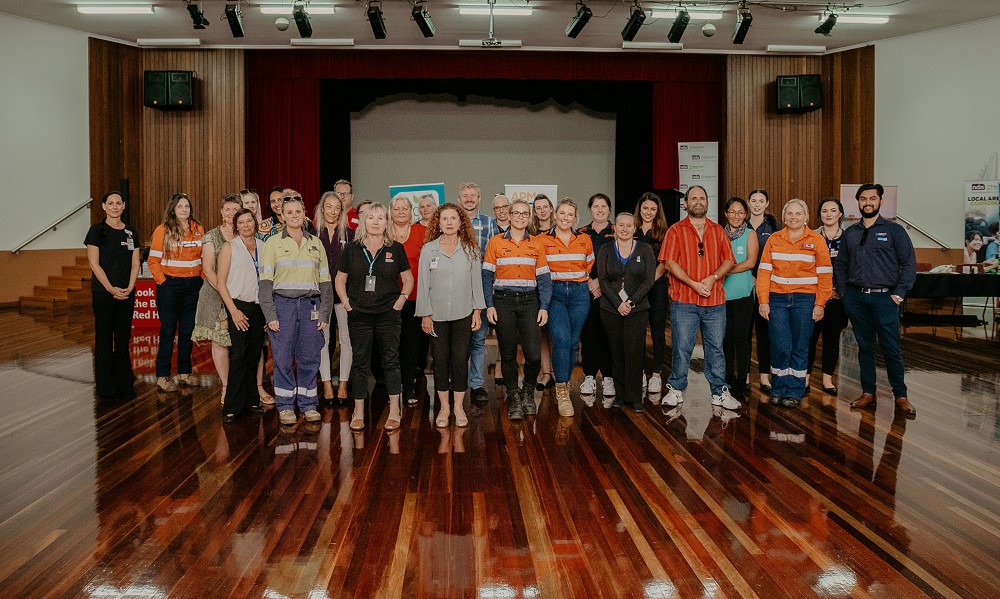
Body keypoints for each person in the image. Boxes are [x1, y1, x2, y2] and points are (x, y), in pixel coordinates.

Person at [834, 183, 917, 418]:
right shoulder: (850, 233)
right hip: (856, 299)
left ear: (881, 202)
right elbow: (840, 265)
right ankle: (868, 392)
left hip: (886, 299)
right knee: (865, 348)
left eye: (872, 198)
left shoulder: (895, 231)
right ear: (858, 202)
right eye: (863, 199)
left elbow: (909, 264)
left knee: (891, 348)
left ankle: (900, 395)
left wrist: (899, 293)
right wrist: (845, 293)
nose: (867, 202)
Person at [659, 186, 739, 410]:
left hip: (714, 302)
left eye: (702, 198)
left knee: (715, 349)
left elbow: (729, 261)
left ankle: (719, 392)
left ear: (707, 202)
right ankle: (676, 390)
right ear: (686, 203)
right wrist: (693, 283)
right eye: (693, 198)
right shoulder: (675, 230)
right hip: (684, 301)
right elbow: (670, 263)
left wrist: (712, 279)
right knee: (682, 347)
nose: (698, 201)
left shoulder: (718, 231)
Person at [335, 203, 413, 431]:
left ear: (386, 222)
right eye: (371, 217)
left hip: (388, 314)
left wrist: (400, 302)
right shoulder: (352, 249)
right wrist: (347, 303)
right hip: (358, 314)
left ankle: (395, 410)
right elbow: (340, 279)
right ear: (364, 221)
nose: (376, 222)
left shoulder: (395, 248)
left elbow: (408, 279)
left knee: (390, 361)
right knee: (360, 363)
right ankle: (358, 411)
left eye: (380, 217)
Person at [259, 193, 333, 426]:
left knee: (310, 357)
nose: (294, 216)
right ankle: (285, 406)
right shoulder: (272, 244)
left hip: (310, 307)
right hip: (283, 306)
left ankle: (309, 405)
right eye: (288, 212)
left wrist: (324, 313)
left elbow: (325, 283)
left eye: (298, 212)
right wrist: (270, 315)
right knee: (282, 358)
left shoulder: (316, 244)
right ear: (281, 216)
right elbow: (264, 284)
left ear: (305, 215)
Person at [756, 199, 832, 408]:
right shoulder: (774, 239)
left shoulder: (817, 240)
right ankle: (778, 389)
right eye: (789, 213)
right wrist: (763, 301)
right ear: (784, 216)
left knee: (800, 346)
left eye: (798, 214)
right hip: (777, 300)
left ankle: (795, 392)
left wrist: (820, 304)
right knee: (780, 345)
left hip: (805, 301)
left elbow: (825, 275)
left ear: (806, 216)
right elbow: (764, 273)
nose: (793, 217)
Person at [416, 203, 486, 428]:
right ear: (438, 222)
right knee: (440, 360)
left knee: (459, 360)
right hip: (435, 315)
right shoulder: (429, 250)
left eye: (453, 219)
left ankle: (458, 406)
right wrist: (425, 314)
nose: (448, 222)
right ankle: (444, 408)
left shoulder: (470, 249)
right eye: (444, 218)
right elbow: (423, 285)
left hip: (463, 313)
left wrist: (477, 311)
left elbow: (477, 283)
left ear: (460, 223)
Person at [483, 198, 552, 420]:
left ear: (529, 217)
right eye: (517, 213)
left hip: (530, 302)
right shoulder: (494, 242)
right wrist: (489, 304)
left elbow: (544, 278)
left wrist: (544, 307)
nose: (521, 217)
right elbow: (486, 276)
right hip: (503, 302)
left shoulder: (537, 244)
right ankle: (514, 396)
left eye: (525, 213)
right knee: (508, 354)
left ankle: (528, 391)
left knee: (533, 355)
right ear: (509, 215)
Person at [538, 198, 595, 417]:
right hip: (555, 294)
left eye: (570, 214)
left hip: (580, 294)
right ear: (555, 215)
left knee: (572, 344)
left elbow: (588, 266)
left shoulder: (585, 240)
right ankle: (562, 391)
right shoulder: (542, 240)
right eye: (562, 213)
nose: (565, 217)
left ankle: (565, 382)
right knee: (561, 340)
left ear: (575, 217)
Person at [596, 213, 655, 412]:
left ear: (634, 228)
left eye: (628, 225)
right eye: (620, 225)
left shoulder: (645, 249)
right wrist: (617, 303)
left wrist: (630, 302)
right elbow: (603, 280)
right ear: (614, 228)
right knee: (616, 351)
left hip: (637, 309)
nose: (624, 229)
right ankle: (620, 396)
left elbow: (649, 279)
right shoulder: (605, 249)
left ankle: (634, 396)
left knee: (634, 352)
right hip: (610, 309)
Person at [85, 191, 140, 401]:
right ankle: (106, 387)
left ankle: (125, 383)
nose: (115, 206)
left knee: (123, 338)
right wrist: (110, 288)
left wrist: (129, 286)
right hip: (103, 293)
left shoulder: (131, 232)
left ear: (124, 206)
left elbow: (135, 263)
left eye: (118, 203)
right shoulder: (96, 231)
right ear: (104, 206)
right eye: (111, 203)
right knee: (105, 339)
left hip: (126, 293)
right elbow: (94, 263)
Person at [148, 193, 205, 392]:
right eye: (180, 206)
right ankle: (163, 376)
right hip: (170, 286)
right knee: (168, 331)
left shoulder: (198, 229)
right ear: (173, 209)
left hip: (193, 286)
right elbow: (153, 261)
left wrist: (203, 280)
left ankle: (184, 372)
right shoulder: (162, 230)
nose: (184, 209)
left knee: (188, 331)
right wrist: (163, 283)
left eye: (187, 206)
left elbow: (203, 259)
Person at [216, 208, 266, 423]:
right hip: (238, 306)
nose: (246, 225)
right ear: (236, 226)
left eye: (249, 221)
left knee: (255, 353)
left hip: (259, 307)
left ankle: (252, 400)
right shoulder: (230, 247)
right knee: (238, 356)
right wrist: (233, 311)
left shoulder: (264, 246)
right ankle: (232, 406)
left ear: (254, 223)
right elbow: (220, 282)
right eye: (241, 222)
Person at [191, 194, 240, 403]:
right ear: (221, 212)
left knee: (241, 343)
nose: (231, 214)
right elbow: (208, 269)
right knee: (220, 342)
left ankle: (243, 386)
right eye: (227, 209)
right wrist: (224, 291)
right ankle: (227, 387)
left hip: (241, 295)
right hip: (216, 295)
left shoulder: (247, 233)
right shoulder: (211, 236)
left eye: (235, 209)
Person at [458, 182, 498, 402]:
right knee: (457, 340)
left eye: (473, 195)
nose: (469, 199)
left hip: (481, 290)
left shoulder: (490, 224)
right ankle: (456, 383)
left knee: (478, 339)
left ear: (479, 199)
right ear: (459, 198)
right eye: (465, 196)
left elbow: (494, 259)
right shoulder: (452, 221)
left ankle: (476, 385)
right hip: (455, 290)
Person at [807, 198, 849, 397]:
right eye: (824, 210)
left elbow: (852, 267)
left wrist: (838, 289)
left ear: (840, 213)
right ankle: (805, 378)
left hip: (838, 298)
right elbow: (805, 267)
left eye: (833, 210)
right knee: (810, 338)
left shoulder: (849, 238)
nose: (829, 214)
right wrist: (822, 290)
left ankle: (827, 379)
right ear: (819, 214)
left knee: (832, 339)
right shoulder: (811, 236)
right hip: (814, 296)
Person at [316, 191, 354, 403]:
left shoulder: (351, 235)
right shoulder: (312, 235)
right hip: (320, 298)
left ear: (342, 211)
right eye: (328, 206)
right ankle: (327, 385)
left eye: (336, 207)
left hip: (344, 297)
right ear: (322, 209)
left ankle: (344, 385)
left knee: (347, 341)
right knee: (323, 341)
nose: (332, 211)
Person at [578, 193, 617, 402]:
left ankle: (609, 377)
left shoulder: (617, 231)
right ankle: (590, 376)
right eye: (596, 206)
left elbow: (621, 262)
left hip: (611, 292)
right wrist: (590, 282)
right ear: (590, 209)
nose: (600, 210)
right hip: (586, 290)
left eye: (604, 206)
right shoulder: (581, 233)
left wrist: (601, 283)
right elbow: (576, 262)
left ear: (609, 210)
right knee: (589, 333)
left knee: (608, 334)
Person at [390, 194, 427, 406]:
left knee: (410, 344)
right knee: (390, 345)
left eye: (405, 208)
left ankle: (409, 386)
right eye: (397, 209)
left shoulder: (421, 232)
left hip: (414, 298)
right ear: (391, 211)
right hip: (388, 300)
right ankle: (392, 387)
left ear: (411, 211)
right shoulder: (384, 233)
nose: (401, 212)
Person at [239, 188, 275, 404]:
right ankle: (242, 386)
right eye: (246, 202)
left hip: (262, 297)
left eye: (254, 202)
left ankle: (259, 385)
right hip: (241, 297)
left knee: (260, 346)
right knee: (241, 348)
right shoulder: (238, 234)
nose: (250, 205)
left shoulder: (264, 232)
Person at [721, 197, 758, 401]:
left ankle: (741, 382)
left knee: (741, 340)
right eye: (732, 211)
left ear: (746, 214)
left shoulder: (750, 234)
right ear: (726, 213)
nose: (736, 216)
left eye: (740, 212)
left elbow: (750, 262)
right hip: (722, 296)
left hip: (743, 295)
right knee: (725, 340)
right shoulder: (718, 233)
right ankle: (727, 379)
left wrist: (725, 270)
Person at [633, 192, 669, 395]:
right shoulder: (632, 229)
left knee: (657, 333)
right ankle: (639, 373)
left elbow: (665, 261)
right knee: (636, 332)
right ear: (640, 209)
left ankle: (656, 374)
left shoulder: (665, 232)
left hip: (657, 287)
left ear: (658, 211)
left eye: (653, 209)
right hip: (634, 288)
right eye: (645, 208)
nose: (648, 212)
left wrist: (649, 281)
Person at [747, 189, 779, 395]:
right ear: (748, 203)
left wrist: (763, 282)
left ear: (767, 203)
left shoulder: (774, 227)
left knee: (765, 334)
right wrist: (750, 277)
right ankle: (746, 375)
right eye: (753, 201)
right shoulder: (740, 225)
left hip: (767, 288)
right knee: (743, 333)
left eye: (761, 201)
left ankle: (765, 376)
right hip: (743, 284)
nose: (757, 204)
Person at [530, 194, 555, 389]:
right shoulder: (530, 234)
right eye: (538, 208)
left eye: (545, 206)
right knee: (542, 333)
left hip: (560, 286)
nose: (542, 210)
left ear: (551, 208)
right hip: (538, 288)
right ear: (535, 212)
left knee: (556, 332)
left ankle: (558, 372)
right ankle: (546, 373)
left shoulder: (561, 230)